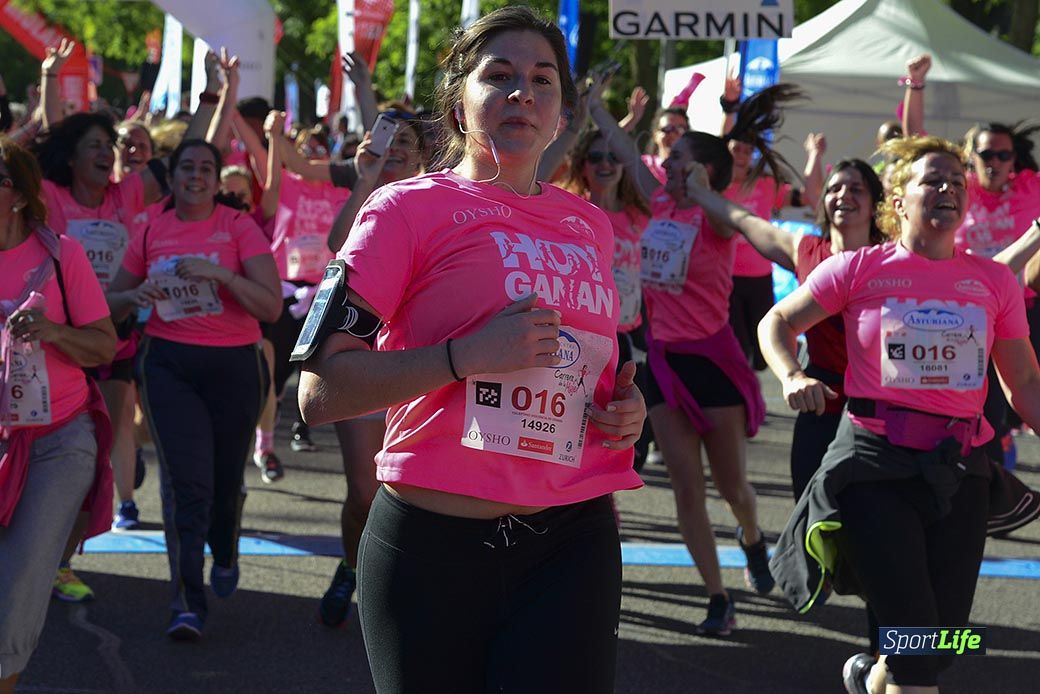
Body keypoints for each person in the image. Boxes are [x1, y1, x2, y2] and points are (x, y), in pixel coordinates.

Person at [297, 8, 645, 691]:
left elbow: (581, 371)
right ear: (459, 104)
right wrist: (465, 356)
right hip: (433, 545)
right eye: (500, 75)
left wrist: (621, 413)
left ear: (560, 113)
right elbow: (320, 393)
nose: (522, 93)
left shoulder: (589, 225)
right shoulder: (402, 210)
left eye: (542, 80)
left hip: (572, 539)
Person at [761, 136, 1040, 693]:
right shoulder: (858, 269)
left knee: (941, 642)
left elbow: (1026, 383)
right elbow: (778, 321)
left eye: (956, 182)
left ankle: (873, 675)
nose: (947, 189)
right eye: (932, 180)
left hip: (961, 470)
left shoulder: (993, 281)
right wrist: (792, 375)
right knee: (917, 648)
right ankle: (893, 670)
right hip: (875, 467)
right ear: (898, 200)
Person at [588, 77, 801, 635]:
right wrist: (597, 109)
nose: (667, 163)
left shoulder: (716, 215)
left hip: (712, 360)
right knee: (686, 487)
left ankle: (751, 537)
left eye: (678, 157)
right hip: (664, 362)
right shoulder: (658, 200)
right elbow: (628, 152)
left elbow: (758, 235)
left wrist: (706, 192)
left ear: (703, 170)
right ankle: (717, 597)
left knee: (732, 489)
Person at [106, 139, 281, 640]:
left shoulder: (237, 226)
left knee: (224, 483)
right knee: (187, 485)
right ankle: (186, 601)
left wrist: (221, 274)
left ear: (215, 177)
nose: (197, 176)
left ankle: (225, 549)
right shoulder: (151, 228)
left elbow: (270, 306)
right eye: (187, 167)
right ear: (174, 176)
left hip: (235, 366)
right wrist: (134, 295)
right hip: (170, 364)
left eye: (206, 168)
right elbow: (110, 301)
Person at [685, 158, 888, 497]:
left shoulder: (893, 260)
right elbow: (744, 221)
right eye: (835, 188)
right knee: (809, 513)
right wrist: (699, 192)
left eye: (856, 189)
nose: (843, 195)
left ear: (875, 203)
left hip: (879, 412)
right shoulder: (804, 249)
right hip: (819, 401)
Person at [0, 137, 116, 694]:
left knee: (19, 581)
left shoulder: (59, 256)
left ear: (19, 196)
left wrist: (50, 331)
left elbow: (104, 345)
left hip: (57, 441)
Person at [314, 111, 426, 627]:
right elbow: (338, 244)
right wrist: (365, 177)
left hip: (421, 364)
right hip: (360, 359)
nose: (395, 148)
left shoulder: (436, 200)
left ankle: (394, 583)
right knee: (364, 491)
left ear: (424, 155)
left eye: (406, 140)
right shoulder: (366, 196)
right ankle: (352, 564)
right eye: (388, 139)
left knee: (409, 490)